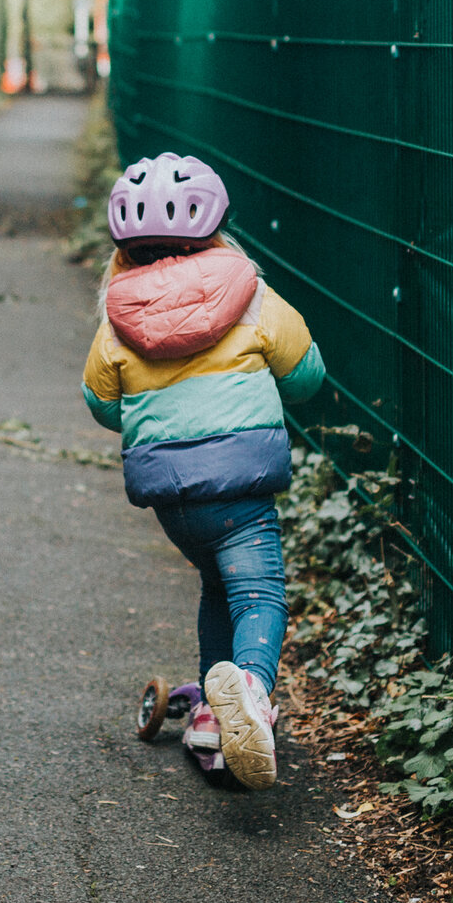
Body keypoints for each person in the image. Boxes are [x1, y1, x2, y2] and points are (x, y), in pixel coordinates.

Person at [80, 152, 325, 789]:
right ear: (214, 231)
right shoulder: (253, 299)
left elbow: (104, 406)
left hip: (175, 504)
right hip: (241, 492)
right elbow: (306, 376)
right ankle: (247, 692)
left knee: (217, 586)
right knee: (260, 594)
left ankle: (218, 714)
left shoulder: (117, 318)